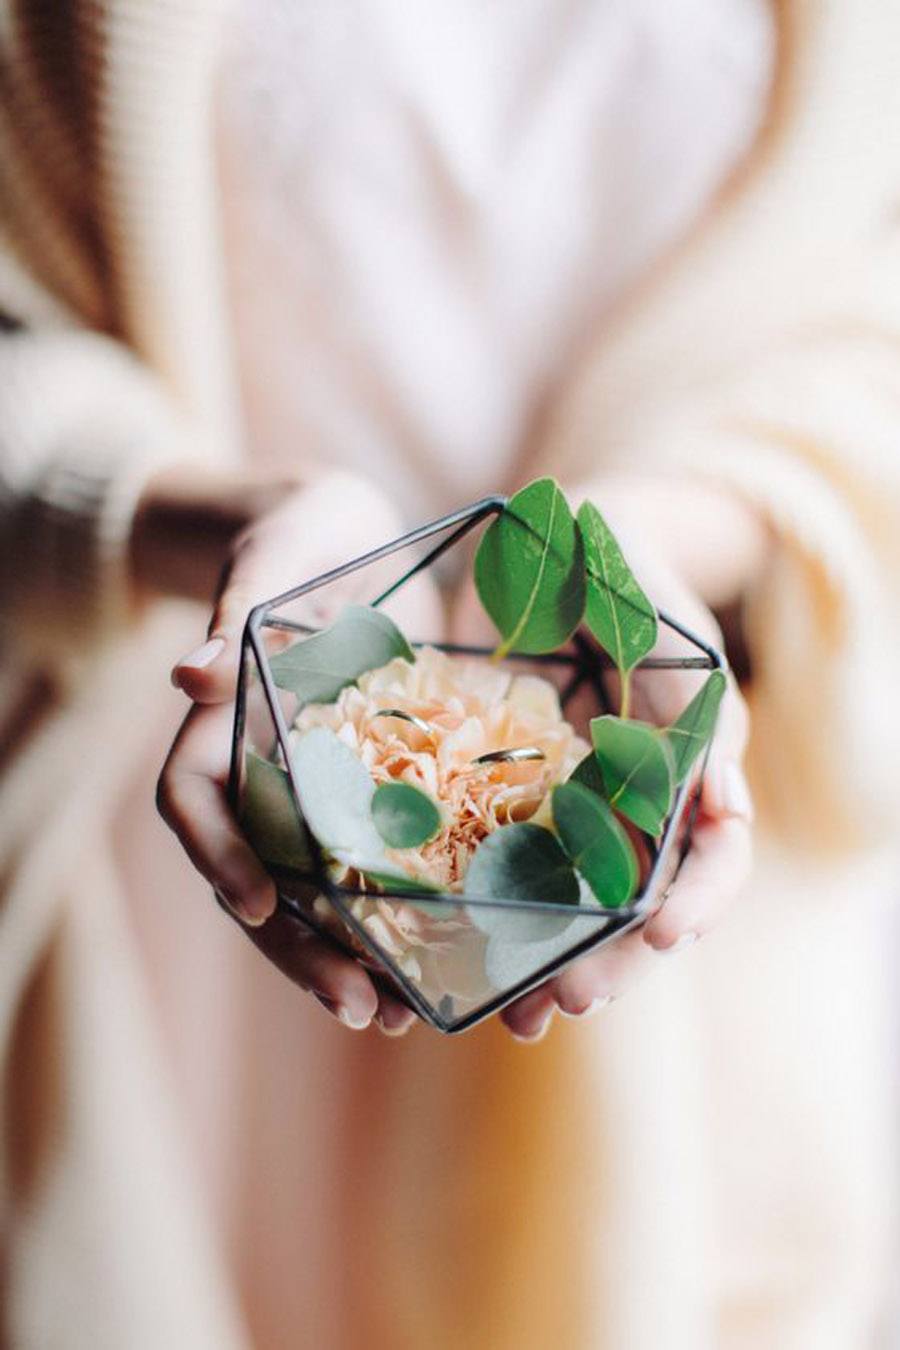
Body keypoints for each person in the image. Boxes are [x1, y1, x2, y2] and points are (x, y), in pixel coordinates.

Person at [1, 2, 898, 1346]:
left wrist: (644, 545)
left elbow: (863, 333)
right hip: (210, 775)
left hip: (681, 819)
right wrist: (235, 521)